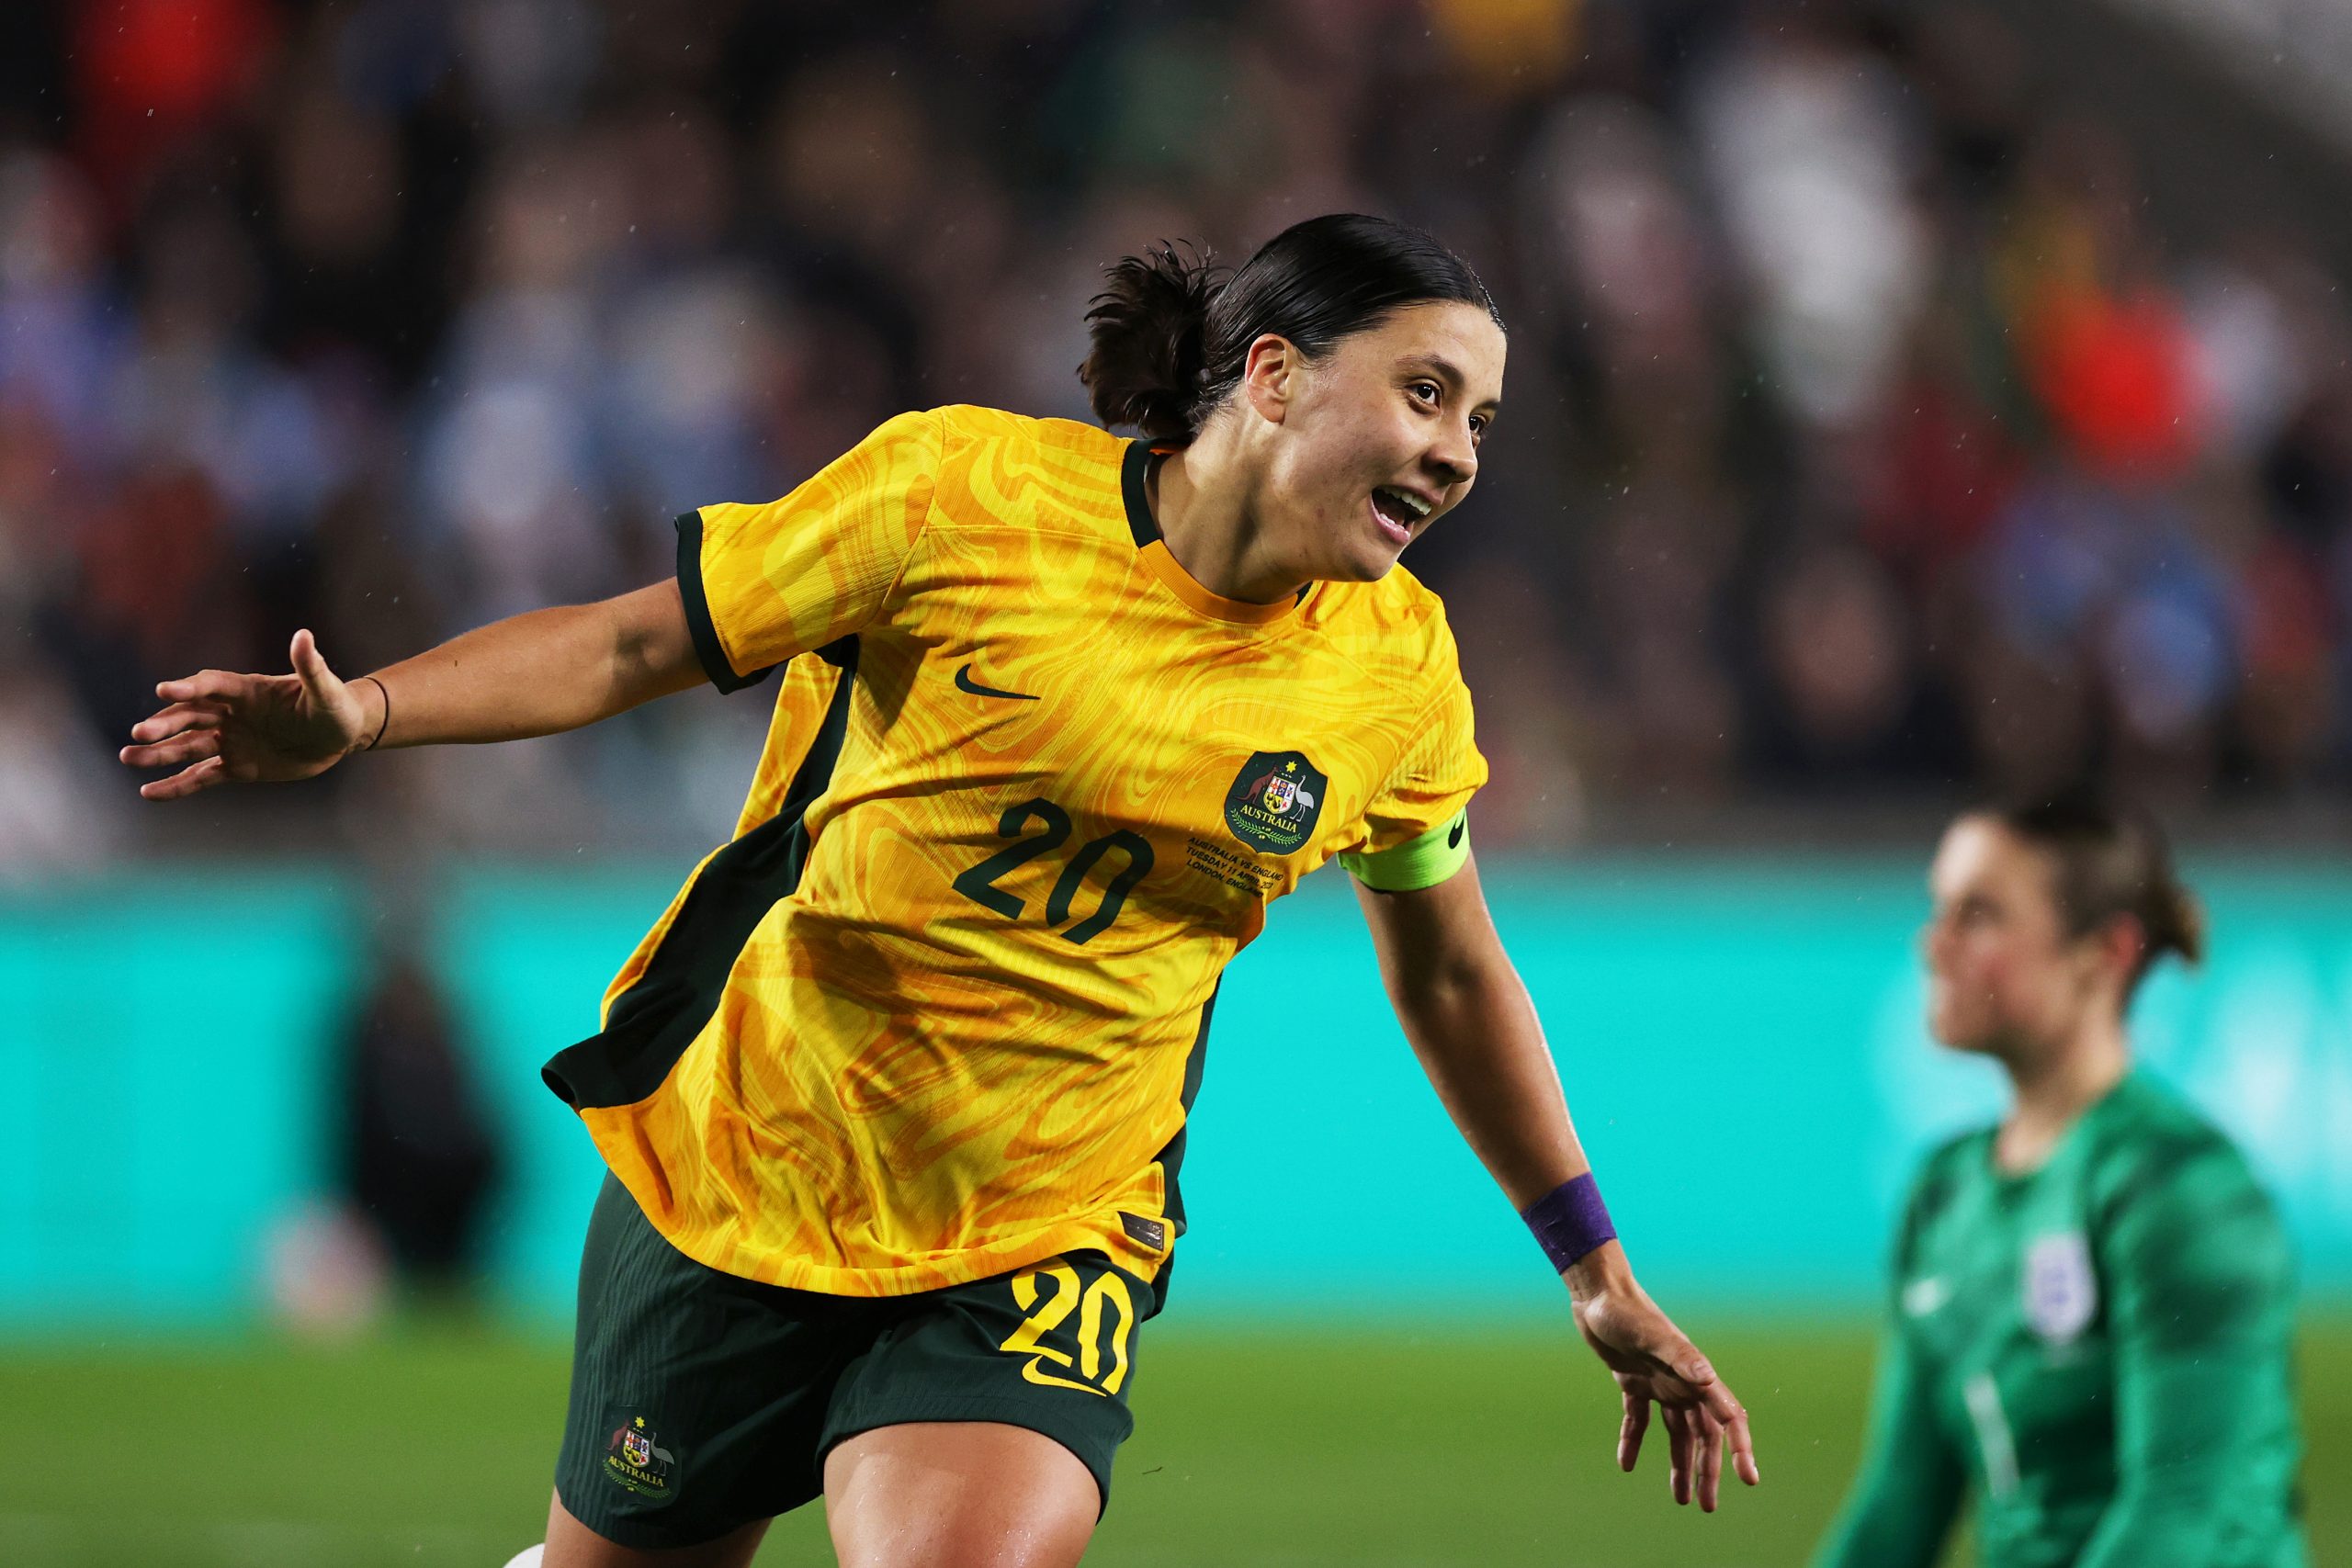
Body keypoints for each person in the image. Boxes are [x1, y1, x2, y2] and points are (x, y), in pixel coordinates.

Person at [122, 214, 1758, 1568]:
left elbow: (1454, 971)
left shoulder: (1398, 675)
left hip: (1043, 1229)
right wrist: (370, 712)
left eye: (1480, 419)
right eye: (1427, 393)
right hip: (753, 1163)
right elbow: (638, 640)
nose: (1458, 452)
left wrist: (1591, 1262)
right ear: (1271, 375)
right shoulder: (959, 499)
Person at [1814, 795, 2308, 1568]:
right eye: (1938, 907)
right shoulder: (1944, 1193)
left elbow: (2183, 1512)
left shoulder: (2185, 1190)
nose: (1933, 943)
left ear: (2103, 953)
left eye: (1978, 915)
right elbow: (1897, 1507)